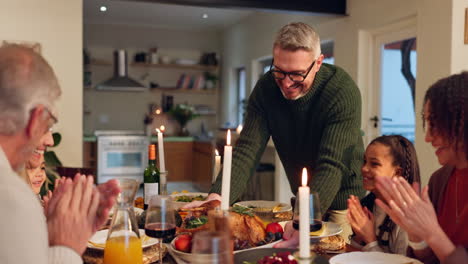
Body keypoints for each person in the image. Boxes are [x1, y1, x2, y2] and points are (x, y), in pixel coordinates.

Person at [194, 22, 365, 243]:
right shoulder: (266, 89)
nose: (286, 83)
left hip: (344, 200)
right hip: (303, 197)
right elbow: (247, 150)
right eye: (279, 71)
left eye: (297, 74)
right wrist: (216, 198)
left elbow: (331, 165)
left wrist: (306, 216)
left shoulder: (341, 90)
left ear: (318, 63)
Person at [0, 44, 120, 263]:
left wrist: (45, 228)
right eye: (48, 125)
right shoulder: (9, 198)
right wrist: (66, 244)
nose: (49, 141)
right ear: (36, 118)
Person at [375, 72, 468, 264]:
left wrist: (433, 233)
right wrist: (416, 235)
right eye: (427, 124)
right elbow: (428, 259)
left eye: (435, 124)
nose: (428, 137)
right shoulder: (439, 180)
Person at [347, 135, 420, 254]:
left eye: (374, 164)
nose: (364, 168)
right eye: (365, 161)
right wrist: (359, 237)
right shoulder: (369, 204)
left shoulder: (407, 216)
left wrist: (370, 240)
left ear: (397, 172)